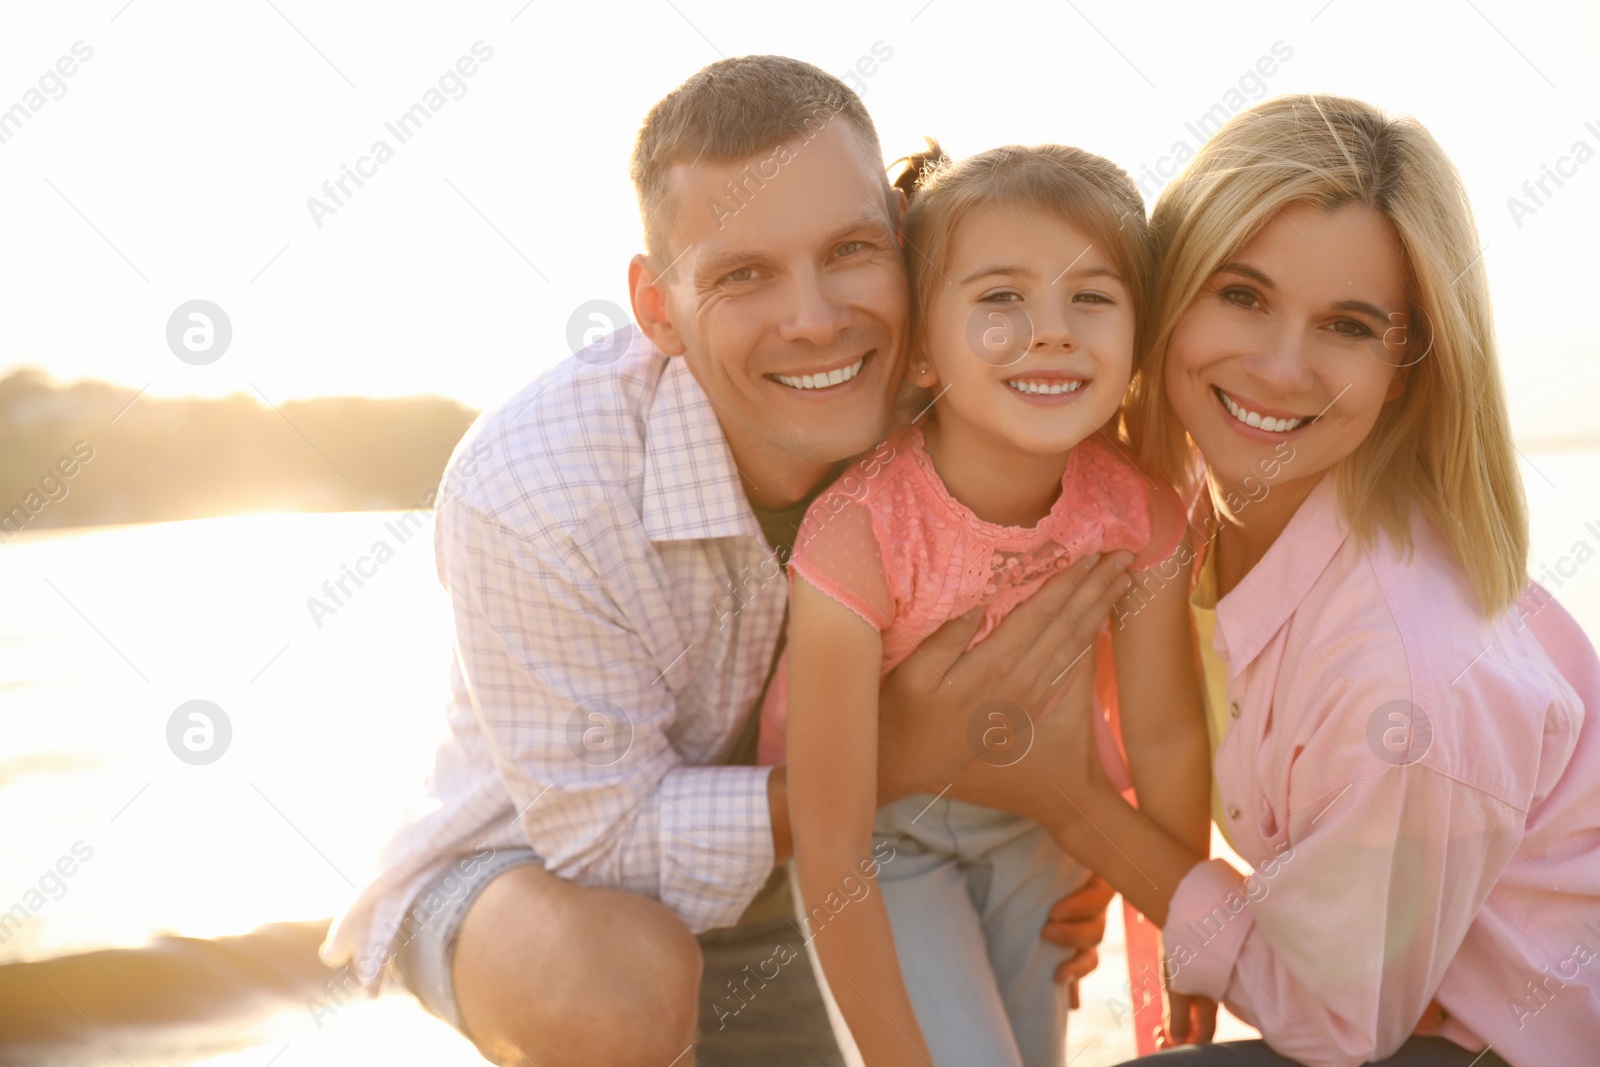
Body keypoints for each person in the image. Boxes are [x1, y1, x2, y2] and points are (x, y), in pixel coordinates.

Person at [317, 56, 1129, 1067]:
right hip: (546, 864)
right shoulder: (535, 489)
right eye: (745, 273)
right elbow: (605, 843)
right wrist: (904, 756)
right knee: (618, 994)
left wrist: (1081, 830)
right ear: (658, 307)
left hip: (856, 856)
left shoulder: (970, 389)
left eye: (850, 251)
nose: (816, 316)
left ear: (905, 243)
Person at [946, 94, 1600, 1066]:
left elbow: (1336, 1024)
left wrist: (1080, 812)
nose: (1280, 368)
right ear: (1170, 299)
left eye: (1345, 324)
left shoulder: (1407, 672)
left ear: (1405, 369)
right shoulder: (1197, 523)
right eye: (1242, 295)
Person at [761, 141, 1210, 1067]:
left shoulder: (1141, 512)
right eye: (1000, 297)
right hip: (888, 838)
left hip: (1040, 833)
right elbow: (831, 835)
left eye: (1092, 297)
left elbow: (1164, 736)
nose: (1050, 330)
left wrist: (1181, 929)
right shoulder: (860, 537)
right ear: (922, 350)